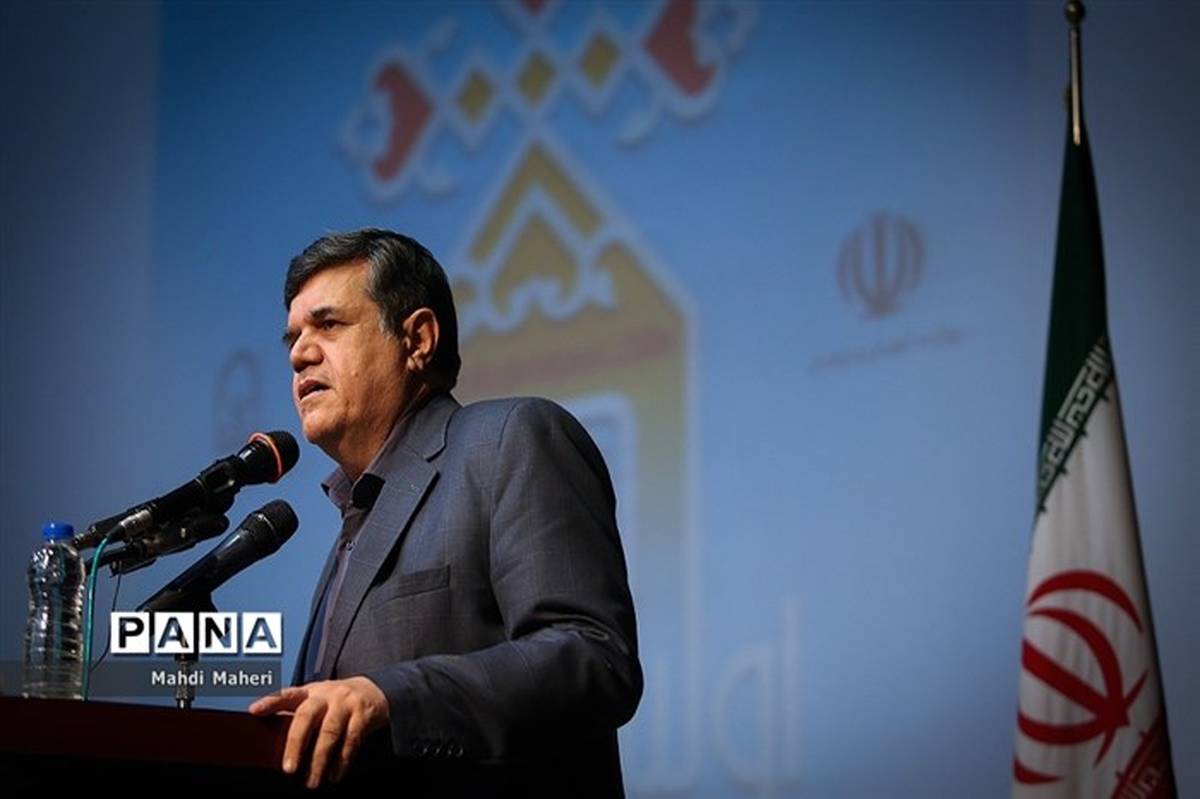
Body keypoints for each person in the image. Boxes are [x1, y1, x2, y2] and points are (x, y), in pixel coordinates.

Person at [248, 229, 641, 795]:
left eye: (328, 325)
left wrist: (391, 696)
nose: (299, 353)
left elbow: (592, 657)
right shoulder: (353, 521)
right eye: (293, 337)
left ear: (418, 339)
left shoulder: (509, 440)